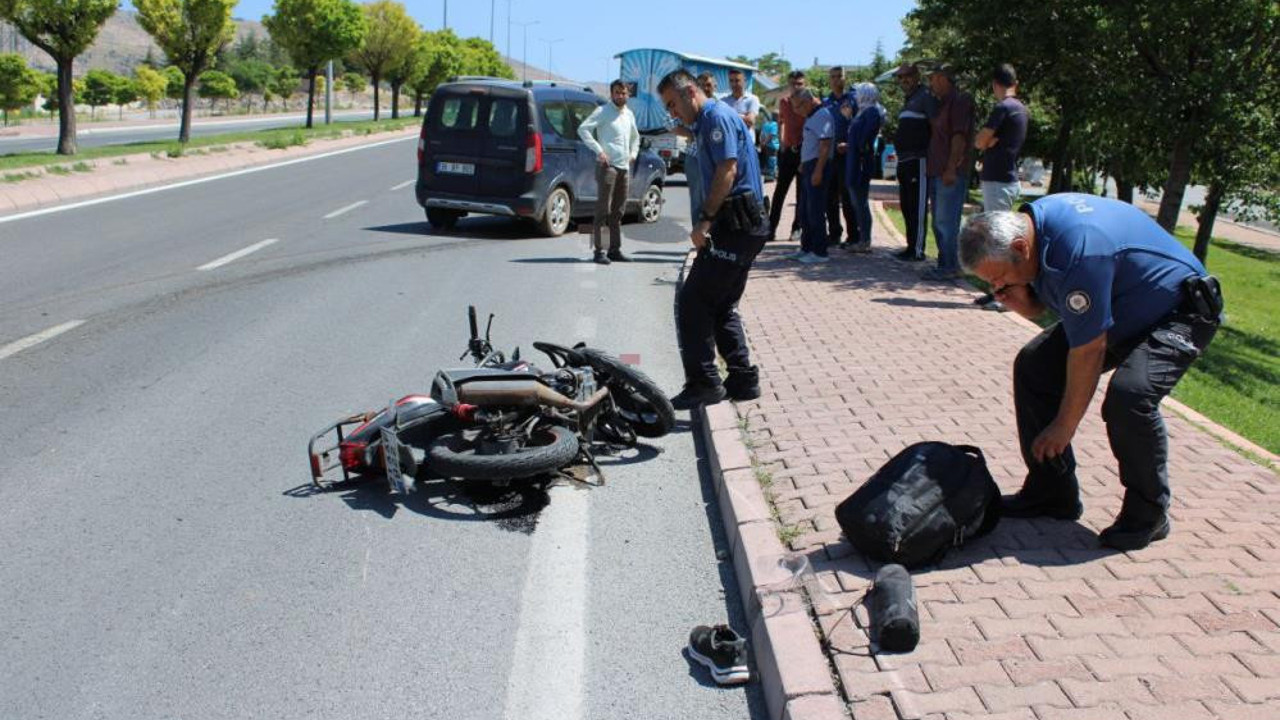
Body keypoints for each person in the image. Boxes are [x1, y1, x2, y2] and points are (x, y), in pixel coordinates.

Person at [959, 195, 1223, 551]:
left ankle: (1149, 514)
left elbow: (1088, 350)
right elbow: (1048, 307)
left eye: (1001, 278)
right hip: (1125, 308)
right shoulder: (1032, 235)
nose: (997, 288)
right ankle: (1051, 494)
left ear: (1021, 247)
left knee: (1130, 397)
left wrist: (1063, 427)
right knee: (1035, 366)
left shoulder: (1080, 249)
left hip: (1181, 311)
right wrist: (1020, 300)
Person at [658, 68, 768, 409]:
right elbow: (694, 135)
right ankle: (743, 379)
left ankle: (704, 382)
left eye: (673, 104)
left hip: (735, 224)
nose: (672, 112)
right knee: (721, 304)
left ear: (690, 92)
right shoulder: (705, 121)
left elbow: (727, 170)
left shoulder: (716, 117)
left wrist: (704, 222)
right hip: (744, 224)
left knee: (693, 301)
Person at [972, 63, 1029, 309]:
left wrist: (988, 141)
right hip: (1006, 178)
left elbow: (980, 140)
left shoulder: (1003, 108)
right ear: (1014, 83)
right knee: (996, 239)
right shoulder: (1021, 109)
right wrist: (990, 142)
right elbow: (988, 141)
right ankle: (996, 292)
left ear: (996, 84)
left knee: (999, 242)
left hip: (997, 180)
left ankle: (1006, 298)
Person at [578, 78, 641, 264]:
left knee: (619, 210)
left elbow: (635, 138)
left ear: (627, 94)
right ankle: (599, 251)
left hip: (624, 168)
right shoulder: (602, 111)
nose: (620, 96)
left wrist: (634, 153)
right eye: (617, 93)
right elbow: (583, 130)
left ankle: (614, 249)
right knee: (603, 210)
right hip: (608, 167)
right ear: (611, 94)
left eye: (623, 93)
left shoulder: (629, 114)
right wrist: (599, 151)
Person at [922, 64, 974, 281]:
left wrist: (951, 167)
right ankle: (944, 264)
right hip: (936, 171)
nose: (930, 83)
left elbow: (959, 136)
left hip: (949, 172)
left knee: (947, 221)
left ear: (942, 78)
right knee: (939, 221)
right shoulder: (942, 104)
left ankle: (952, 266)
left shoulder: (960, 101)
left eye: (932, 78)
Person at [891, 63, 936, 262]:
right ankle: (910, 247)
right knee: (907, 205)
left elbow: (936, 126)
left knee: (917, 206)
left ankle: (918, 250)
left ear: (917, 76)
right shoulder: (908, 100)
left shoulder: (925, 97)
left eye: (907, 76)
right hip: (904, 161)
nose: (903, 80)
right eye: (900, 77)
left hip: (919, 160)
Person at [789, 89, 834, 264]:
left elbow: (825, 145)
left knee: (815, 210)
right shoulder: (812, 115)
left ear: (808, 101)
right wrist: (803, 162)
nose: (797, 111)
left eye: (798, 106)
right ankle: (806, 248)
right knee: (804, 210)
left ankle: (820, 252)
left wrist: (818, 170)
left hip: (817, 165)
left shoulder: (822, 115)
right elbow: (812, 142)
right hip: (809, 164)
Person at [841, 82, 885, 253]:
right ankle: (861, 238)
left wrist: (855, 146)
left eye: (858, 93)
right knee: (855, 201)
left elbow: (865, 139)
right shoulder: (862, 111)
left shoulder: (872, 111)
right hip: (854, 160)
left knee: (860, 202)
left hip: (860, 163)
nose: (856, 96)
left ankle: (865, 240)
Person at [769, 70, 808, 241]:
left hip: (804, 152)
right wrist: (782, 142)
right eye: (794, 83)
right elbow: (782, 122)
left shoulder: (809, 103)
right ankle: (771, 228)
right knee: (779, 192)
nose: (796, 87)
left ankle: (796, 228)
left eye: (800, 83)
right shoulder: (784, 102)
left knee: (802, 193)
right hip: (788, 152)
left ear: (804, 84)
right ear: (789, 84)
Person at [823, 66, 857, 248]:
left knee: (847, 196)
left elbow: (859, 125)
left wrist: (850, 145)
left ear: (845, 78)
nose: (836, 80)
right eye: (833, 77)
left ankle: (853, 235)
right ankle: (834, 233)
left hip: (848, 155)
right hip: (829, 155)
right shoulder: (825, 102)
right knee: (830, 197)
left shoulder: (853, 100)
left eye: (839, 76)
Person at [726, 68, 761, 143]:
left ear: (744, 81)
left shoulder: (752, 99)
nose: (734, 84)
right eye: (731, 81)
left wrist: (729, 116)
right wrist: (743, 116)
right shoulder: (723, 101)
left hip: (747, 144)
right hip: (730, 144)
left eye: (737, 80)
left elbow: (750, 121)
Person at [758, 109, 779, 181]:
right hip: (773, 145)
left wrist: (762, 143)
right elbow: (771, 135)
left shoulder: (766, 124)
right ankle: (772, 175)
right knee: (772, 159)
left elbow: (762, 134)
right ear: (777, 117)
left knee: (767, 159)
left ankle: (768, 174)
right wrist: (766, 142)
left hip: (765, 145)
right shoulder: (775, 125)